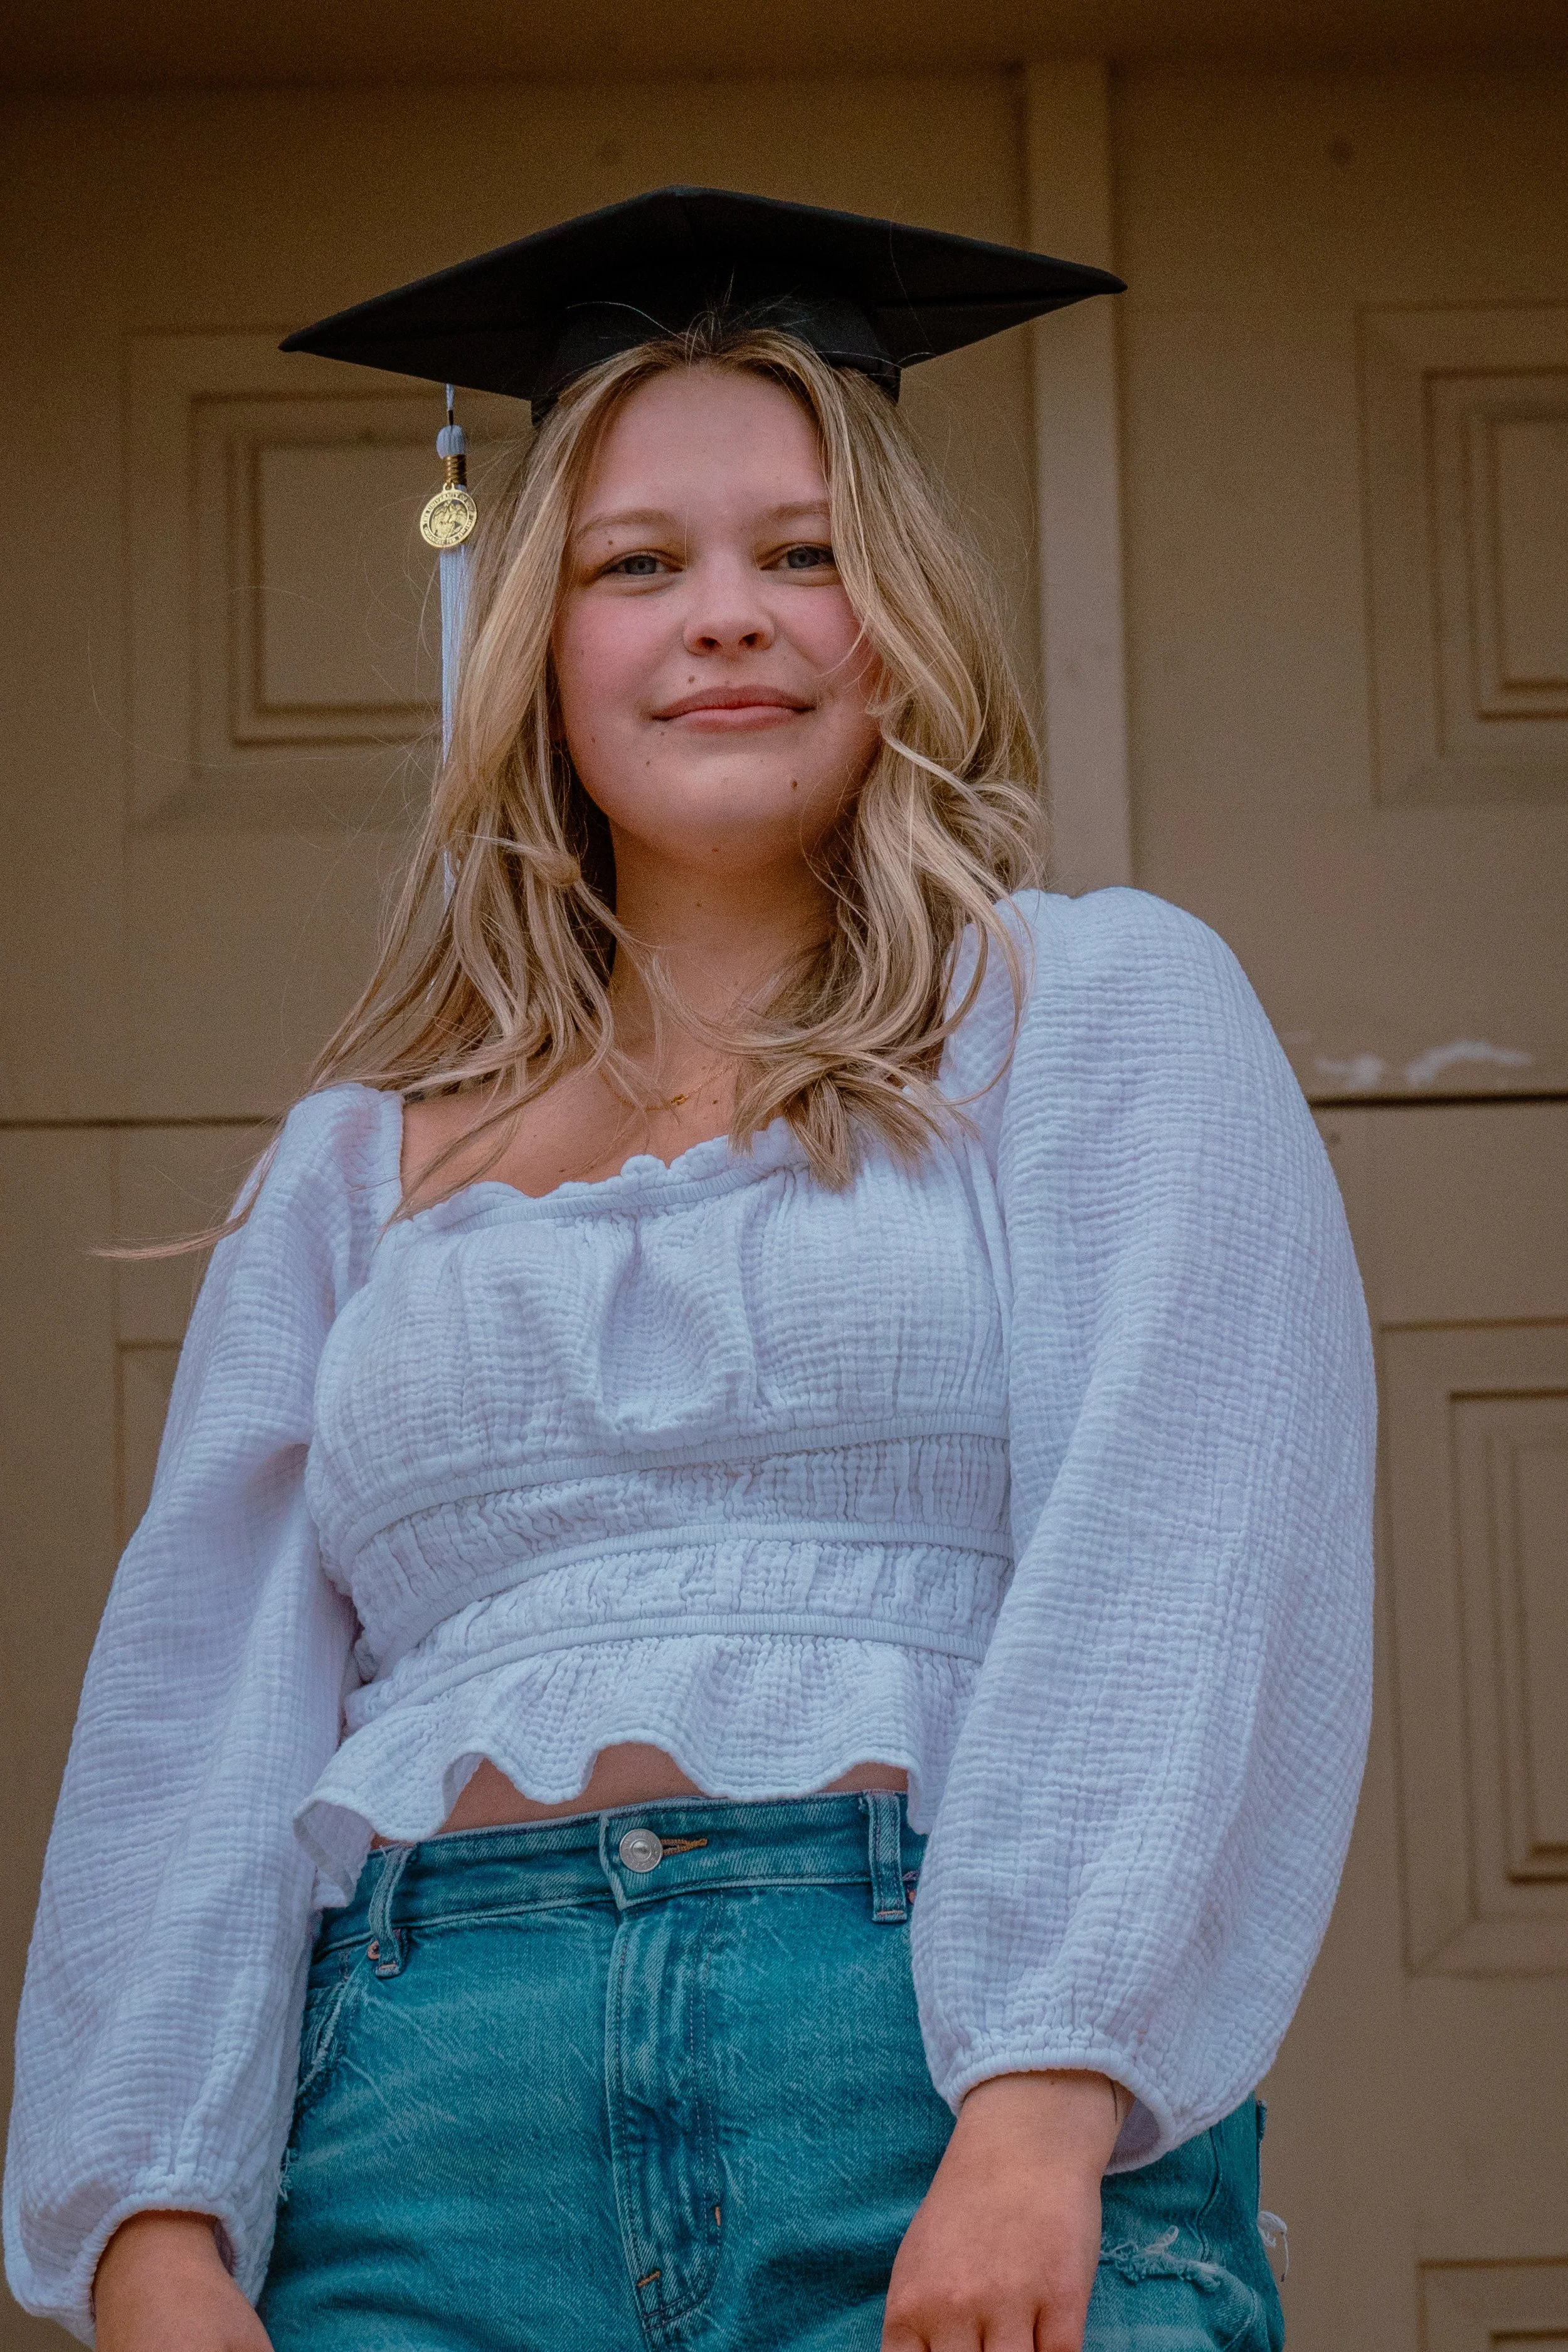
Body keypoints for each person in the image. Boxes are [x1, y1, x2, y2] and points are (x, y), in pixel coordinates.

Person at [4, 189, 1375, 2352]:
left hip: (922, 2087)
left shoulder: (1094, 1016)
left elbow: (1178, 1551)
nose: (724, 619)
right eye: (641, 564)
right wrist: (148, 2239)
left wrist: (1033, 2114)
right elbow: (200, 1709)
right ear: (538, 643)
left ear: (900, 617)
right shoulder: (352, 1172)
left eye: (802, 553)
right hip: (422, 2153)